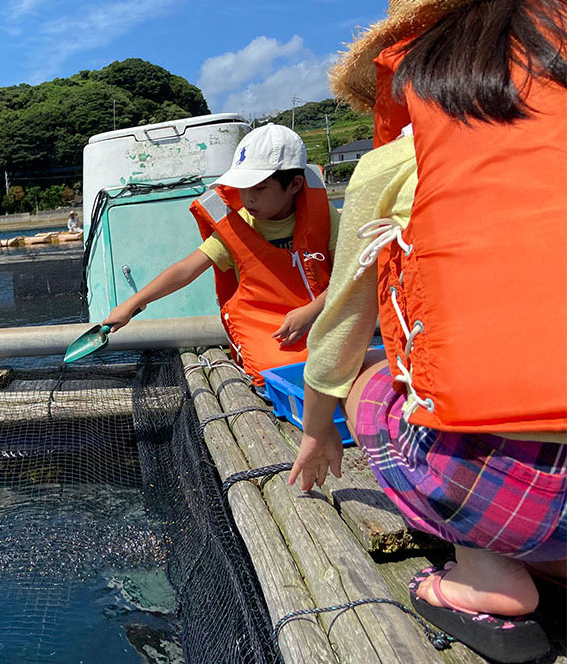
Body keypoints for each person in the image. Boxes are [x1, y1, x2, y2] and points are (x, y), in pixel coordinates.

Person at [288, 1, 566, 661]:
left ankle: (486, 575)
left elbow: (340, 334)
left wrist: (317, 430)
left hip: (517, 502)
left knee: (371, 384)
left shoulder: (391, 165)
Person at [103, 124, 341, 385]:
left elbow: (351, 274)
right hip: (272, 335)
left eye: (259, 188)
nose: (248, 198)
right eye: (242, 187)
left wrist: (311, 311)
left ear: (295, 184)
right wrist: (132, 304)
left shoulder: (324, 216)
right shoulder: (238, 226)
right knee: (277, 375)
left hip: (324, 320)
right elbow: (186, 270)